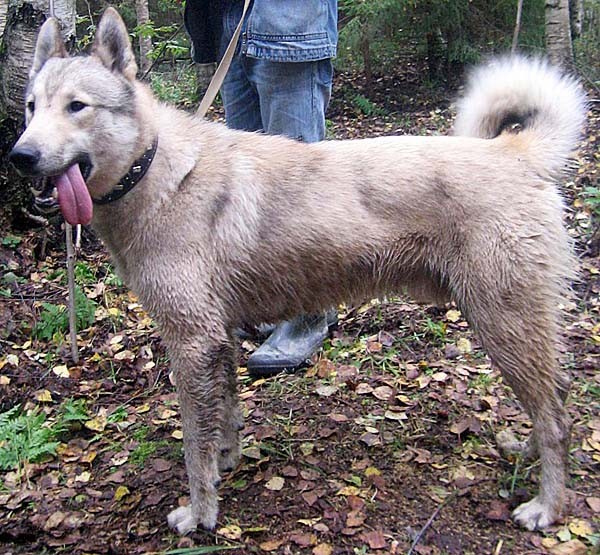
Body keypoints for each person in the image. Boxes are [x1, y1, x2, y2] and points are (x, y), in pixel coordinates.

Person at [184, 0, 338, 377]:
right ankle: (272, 303)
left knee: (296, 184)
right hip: (227, 19)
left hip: (289, 19)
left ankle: (307, 316)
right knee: (247, 184)